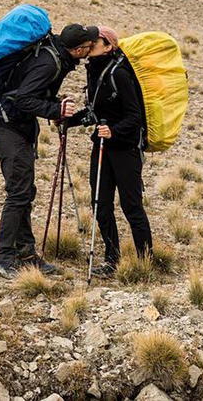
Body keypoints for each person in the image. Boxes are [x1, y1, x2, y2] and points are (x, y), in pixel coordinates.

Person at [0, 23, 99, 279]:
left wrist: (56, 102)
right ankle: (5, 258)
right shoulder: (49, 63)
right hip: (9, 129)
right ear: (76, 49)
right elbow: (24, 99)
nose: (89, 49)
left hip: (16, 128)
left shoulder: (55, 56)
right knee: (18, 193)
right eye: (87, 47)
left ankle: (26, 255)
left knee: (24, 191)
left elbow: (31, 93)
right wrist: (56, 111)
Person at [70, 25, 152, 277]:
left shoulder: (119, 74)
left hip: (125, 148)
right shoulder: (94, 71)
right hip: (103, 146)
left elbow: (135, 116)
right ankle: (111, 259)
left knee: (131, 205)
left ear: (109, 46)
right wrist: (68, 121)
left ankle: (145, 261)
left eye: (96, 41)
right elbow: (95, 111)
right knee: (100, 204)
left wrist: (113, 130)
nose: (91, 44)